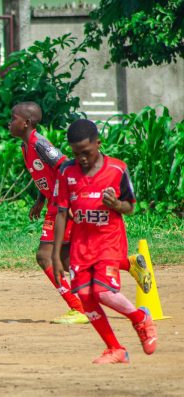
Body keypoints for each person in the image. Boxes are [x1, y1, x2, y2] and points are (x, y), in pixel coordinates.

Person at [9, 103, 151, 325]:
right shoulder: (26, 146)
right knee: (69, 259)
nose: (9, 123)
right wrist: (40, 200)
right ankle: (127, 263)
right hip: (54, 203)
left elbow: (63, 165)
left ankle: (78, 308)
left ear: (26, 123)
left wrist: (71, 197)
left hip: (60, 205)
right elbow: (45, 174)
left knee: (44, 256)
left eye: (13, 118)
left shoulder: (39, 143)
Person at [52, 119, 157, 364]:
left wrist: (116, 204)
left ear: (98, 143)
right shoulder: (67, 172)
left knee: (103, 293)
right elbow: (61, 213)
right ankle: (115, 349)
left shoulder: (117, 169)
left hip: (109, 241)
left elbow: (130, 207)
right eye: (76, 154)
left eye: (86, 152)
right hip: (81, 244)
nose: (82, 159)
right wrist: (56, 256)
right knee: (86, 297)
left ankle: (140, 319)